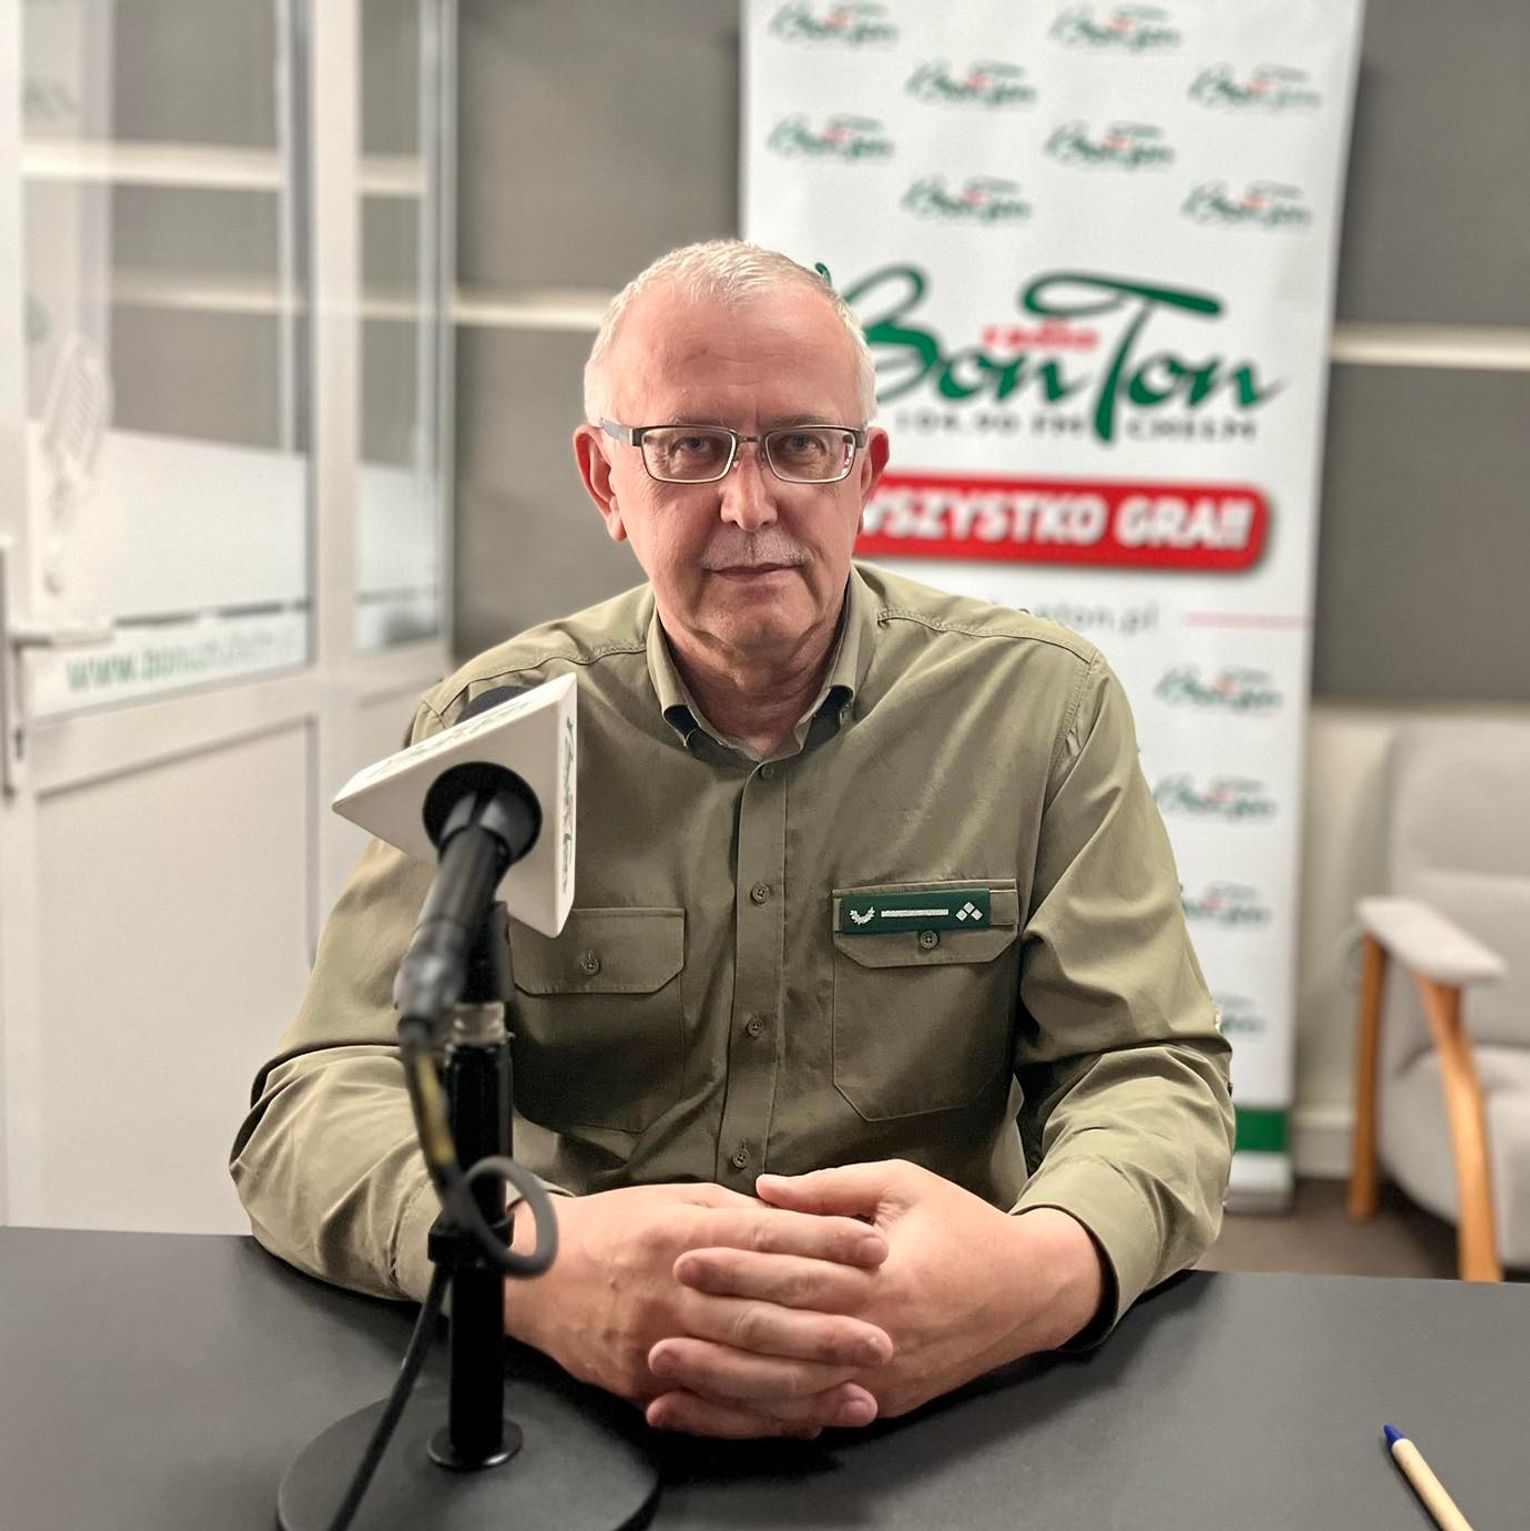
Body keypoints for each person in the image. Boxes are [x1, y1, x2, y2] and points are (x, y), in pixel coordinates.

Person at [232, 239, 1233, 1441]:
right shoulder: (492, 728)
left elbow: (1146, 1070)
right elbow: (321, 1096)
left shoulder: (1040, 710)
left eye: (802, 447)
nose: (749, 506)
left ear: (867, 475)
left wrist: (1036, 1276)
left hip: (944, 1386)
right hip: (565, 1389)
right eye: (690, 447)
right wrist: (524, 1265)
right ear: (606, 480)